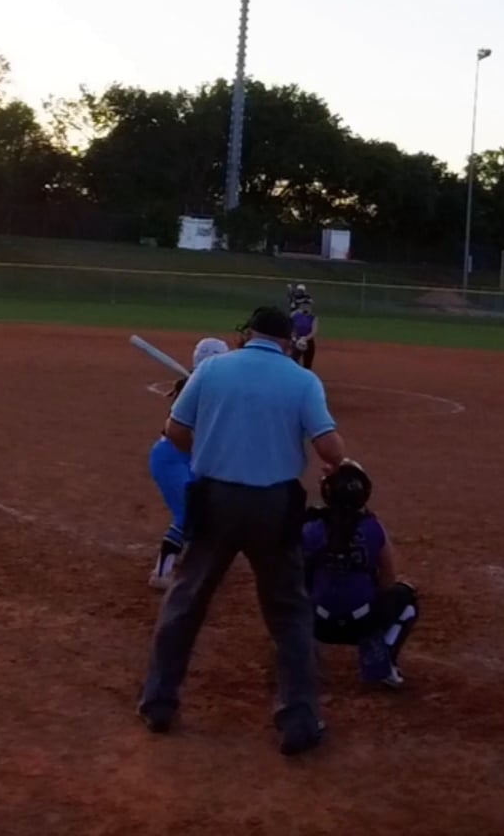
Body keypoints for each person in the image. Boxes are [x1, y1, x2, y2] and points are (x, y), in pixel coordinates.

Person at [138, 306, 345, 757]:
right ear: (287, 341)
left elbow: (175, 431)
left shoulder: (212, 369)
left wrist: (212, 445)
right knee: (289, 611)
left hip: (215, 499)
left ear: (249, 333)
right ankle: (298, 719)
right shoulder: (302, 379)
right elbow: (329, 447)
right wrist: (337, 461)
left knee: (186, 600)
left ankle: (158, 701)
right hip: (274, 504)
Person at [301, 461, 419, 689]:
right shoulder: (372, 527)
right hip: (362, 625)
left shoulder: (311, 527)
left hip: (317, 624)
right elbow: (388, 580)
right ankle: (383, 662)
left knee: (290, 589)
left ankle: (300, 656)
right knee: (407, 598)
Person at [146, 337, 231, 590]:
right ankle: (161, 573)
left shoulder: (216, 388)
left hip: (195, 459)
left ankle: (193, 558)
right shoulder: (188, 388)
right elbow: (180, 423)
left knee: (207, 510)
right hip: (171, 458)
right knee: (188, 512)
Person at [291, 299, 318, 370]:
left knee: (308, 363)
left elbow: (314, 331)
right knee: (294, 361)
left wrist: (305, 339)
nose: (306, 307)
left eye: (308, 305)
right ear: (301, 306)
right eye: (304, 305)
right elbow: (291, 327)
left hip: (308, 341)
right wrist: (294, 337)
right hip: (296, 340)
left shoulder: (313, 317)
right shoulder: (294, 315)